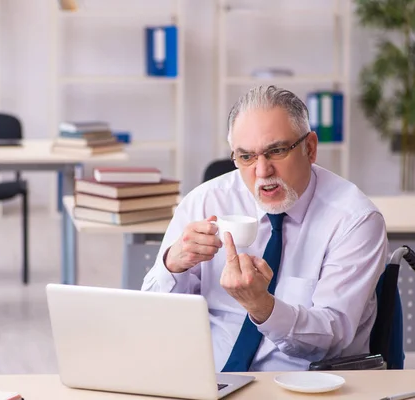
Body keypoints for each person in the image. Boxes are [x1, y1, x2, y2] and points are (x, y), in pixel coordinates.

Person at [141, 85, 388, 372]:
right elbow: (154, 314)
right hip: (206, 379)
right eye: (246, 157)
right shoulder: (206, 201)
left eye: (277, 151)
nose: (262, 171)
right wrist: (174, 264)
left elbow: (331, 339)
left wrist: (263, 307)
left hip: (303, 385)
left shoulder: (355, 219)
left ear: (310, 148)